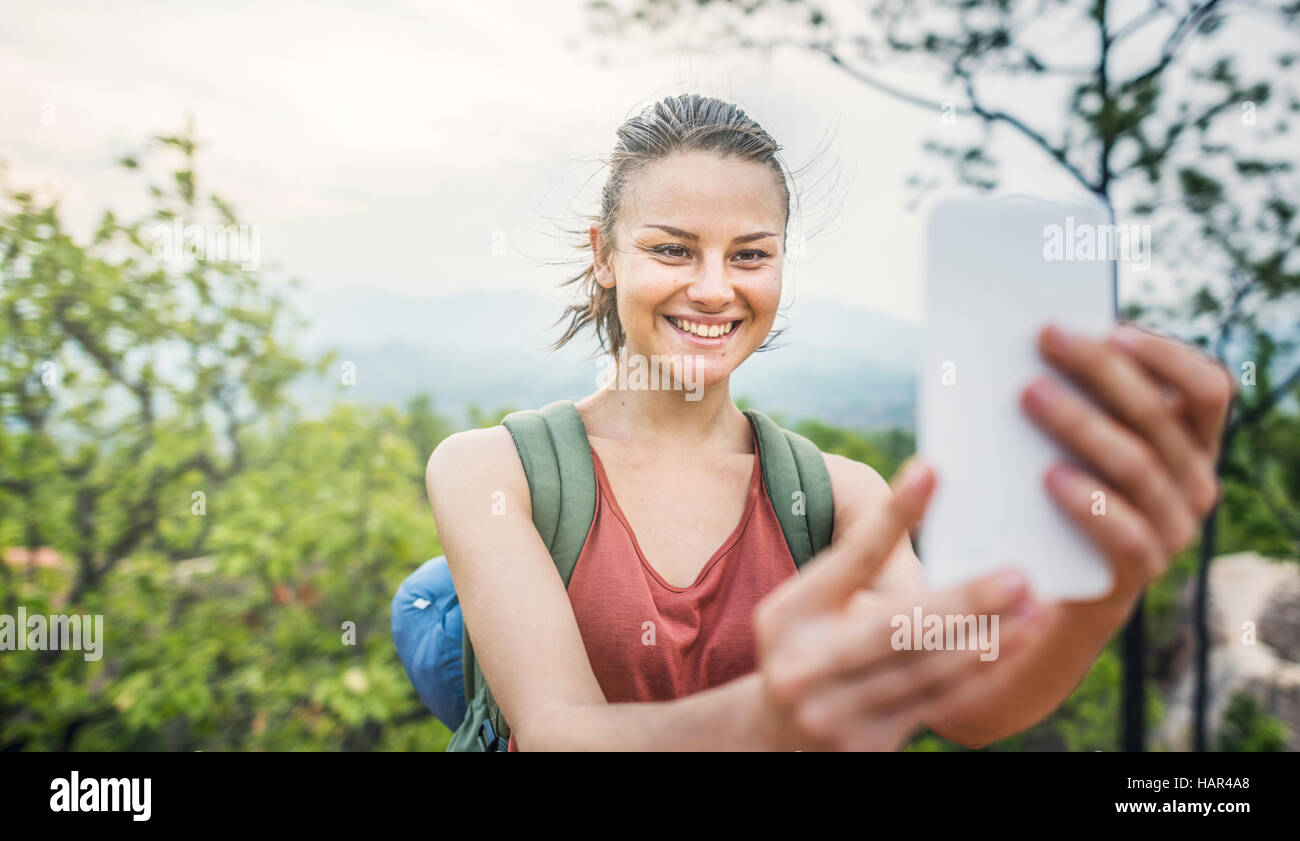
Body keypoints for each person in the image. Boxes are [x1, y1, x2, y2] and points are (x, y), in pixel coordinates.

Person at [424, 93, 1234, 751]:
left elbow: (970, 705)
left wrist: (1103, 584)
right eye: (673, 250)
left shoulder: (839, 494)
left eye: (750, 254)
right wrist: (762, 721)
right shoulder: (492, 471)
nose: (713, 288)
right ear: (604, 254)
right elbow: (558, 730)